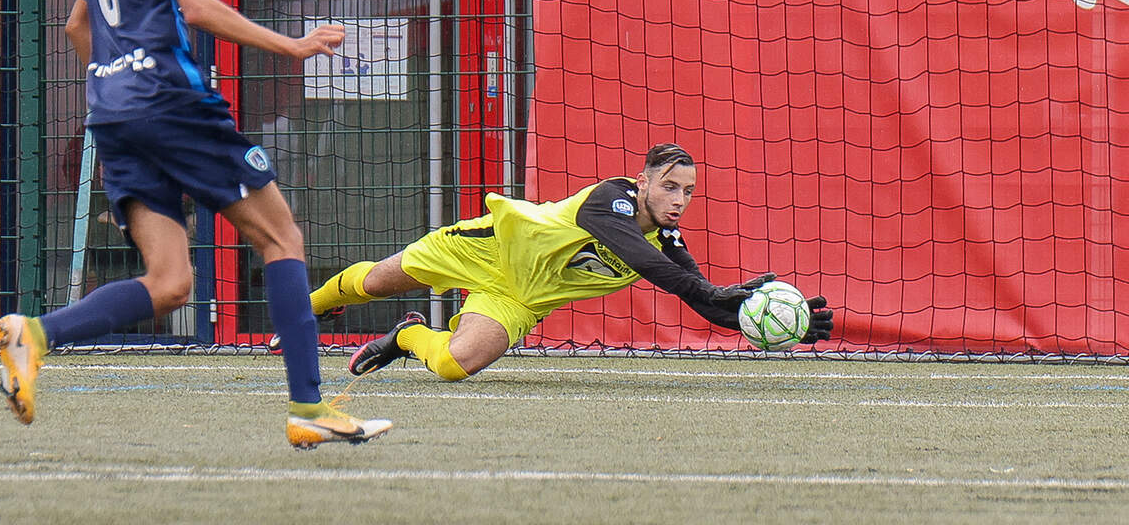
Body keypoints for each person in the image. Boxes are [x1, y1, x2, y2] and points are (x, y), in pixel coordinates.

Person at [0, 0, 391, 448]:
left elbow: (77, 26)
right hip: (169, 103)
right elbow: (196, 8)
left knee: (171, 282)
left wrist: (115, 95)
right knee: (283, 238)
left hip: (115, 115)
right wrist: (292, 46)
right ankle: (310, 410)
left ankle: (33, 334)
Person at [272, 143, 835, 380]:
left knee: (452, 366)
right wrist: (703, 292)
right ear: (642, 182)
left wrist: (769, 318)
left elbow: (700, 295)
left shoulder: (667, 243)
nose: (679, 200)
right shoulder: (608, 201)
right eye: (669, 187)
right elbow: (652, 264)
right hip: (483, 248)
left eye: (687, 191)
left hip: (517, 298)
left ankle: (406, 338)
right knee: (370, 282)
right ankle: (302, 312)